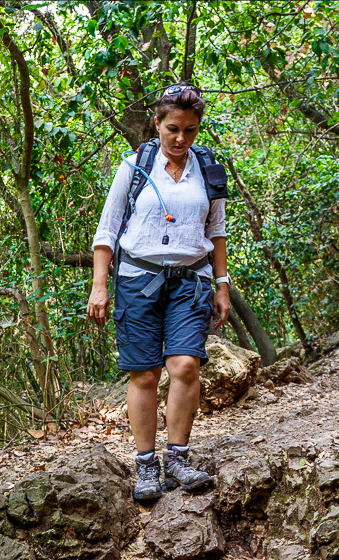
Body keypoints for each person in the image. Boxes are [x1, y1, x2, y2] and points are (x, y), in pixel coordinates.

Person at [86, 84, 231, 501]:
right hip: (138, 279)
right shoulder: (134, 167)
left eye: (190, 130)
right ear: (157, 124)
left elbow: (216, 231)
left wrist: (222, 285)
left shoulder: (207, 169)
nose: (181, 138)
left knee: (185, 365)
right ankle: (146, 465)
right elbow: (107, 231)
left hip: (192, 281)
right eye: (173, 129)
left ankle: (178, 459)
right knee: (145, 372)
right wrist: (99, 286)